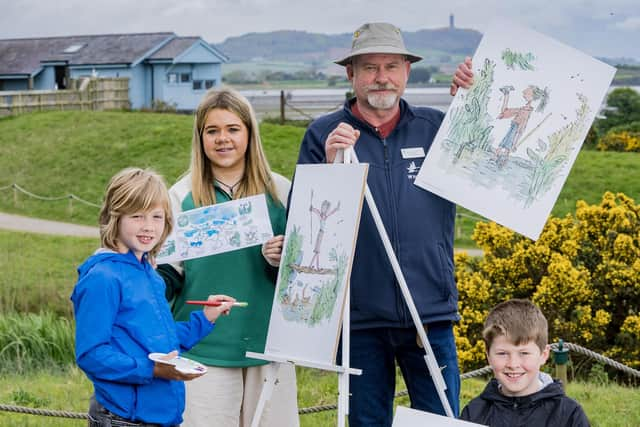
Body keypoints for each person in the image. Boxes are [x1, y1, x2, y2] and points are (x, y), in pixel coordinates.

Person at [295, 22, 472, 426]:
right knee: (366, 422)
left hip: (430, 309)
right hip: (360, 317)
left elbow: (490, 157)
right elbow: (304, 226)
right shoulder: (323, 134)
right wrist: (329, 166)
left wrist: (472, 100)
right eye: (369, 67)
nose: (382, 77)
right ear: (351, 74)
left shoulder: (436, 128)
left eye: (392, 65)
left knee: (440, 419)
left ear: (407, 71)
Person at [156, 88, 299, 427]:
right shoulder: (180, 196)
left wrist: (278, 260)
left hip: (270, 348)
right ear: (200, 137)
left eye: (233, 129)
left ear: (249, 133)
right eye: (212, 130)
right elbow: (166, 275)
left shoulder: (282, 191)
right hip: (204, 350)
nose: (223, 139)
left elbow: (307, 274)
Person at [71, 167, 235, 427]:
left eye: (157, 217)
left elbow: (161, 341)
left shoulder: (150, 273)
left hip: (160, 417)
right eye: (137, 216)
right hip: (123, 419)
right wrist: (154, 370)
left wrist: (205, 318)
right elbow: (91, 355)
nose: (148, 226)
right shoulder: (103, 277)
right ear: (115, 217)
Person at [460, 299, 590, 426]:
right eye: (502, 353)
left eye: (524, 353)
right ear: (488, 355)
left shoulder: (569, 415)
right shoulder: (474, 413)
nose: (513, 364)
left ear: (543, 355)